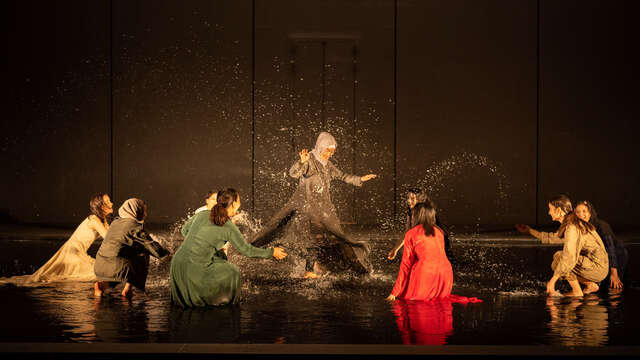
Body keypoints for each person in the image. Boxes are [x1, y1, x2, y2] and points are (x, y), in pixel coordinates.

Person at [249, 132, 376, 278]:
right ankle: (309, 269)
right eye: (328, 150)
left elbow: (342, 176)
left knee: (332, 235)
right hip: (309, 207)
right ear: (321, 147)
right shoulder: (310, 159)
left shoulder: (327, 165)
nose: (330, 154)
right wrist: (302, 162)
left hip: (324, 208)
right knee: (313, 236)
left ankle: (321, 266)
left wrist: (360, 179)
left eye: (333, 151)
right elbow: (294, 173)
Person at [170, 188, 287, 307]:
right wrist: (271, 252)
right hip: (194, 269)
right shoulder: (228, 226)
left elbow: (184, 231)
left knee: (219, 256)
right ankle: (224, 305)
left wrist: (204, 243)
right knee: (232, 272)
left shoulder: (202, 214)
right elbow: (247, 250)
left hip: (176, 265)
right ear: (235, 203)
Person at [0, 193, 113, 284]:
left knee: (100, 272)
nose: (111, 204)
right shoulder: (94, 220)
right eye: (107, 202)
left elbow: (111, 237)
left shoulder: (102, 220)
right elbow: (109, 238)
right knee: (97, 273)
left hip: (76, 252)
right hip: (73, 252)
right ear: (101, 206)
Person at [386, 202, 481, 303]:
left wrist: (394, 292)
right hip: (446, 277)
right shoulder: (439, 231)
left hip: (426, 275)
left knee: (404, 295)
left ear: (418, 216)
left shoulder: (411, 233)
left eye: (413, 214)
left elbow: (405, 265)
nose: (411, 217)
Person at [516, 195, 609, 296]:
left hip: (598, 267)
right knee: (556, 262)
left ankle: (577, 292)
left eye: (550, 209)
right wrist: (529, 231)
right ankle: (590, 285)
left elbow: (569, 257)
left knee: (561, 258)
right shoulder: (570, 223)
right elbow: (552, 238)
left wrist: (552, 282)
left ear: (559, 210)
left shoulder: (573, 227)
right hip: (592, 264)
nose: (549, 212)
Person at [94, 198, 169, 297]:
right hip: (116, 266)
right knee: (143, 253)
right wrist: (168, 255)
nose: (145, 214)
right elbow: (150, 245)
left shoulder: (115, 223)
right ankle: (128, 289)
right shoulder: (135, 227)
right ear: (136, 211)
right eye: (143, 211)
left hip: (99, 266)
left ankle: (102, 285)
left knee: (122, 263)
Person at [575, 201, 629, 290]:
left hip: (616, 256)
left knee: (613, 287)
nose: (581, 214)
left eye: (584, 211)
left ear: (590, 212)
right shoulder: (581, 226)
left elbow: (610, 248)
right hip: (601, 258)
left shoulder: (601, 226)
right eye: (578, 212)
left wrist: (614, 273)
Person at [387, 188, 452, 261]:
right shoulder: (411, 211)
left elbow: (427, 235)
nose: (408, 201)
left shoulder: (424, 211)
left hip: (438, 242)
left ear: (419, 200)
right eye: (408, 198)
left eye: (412, 198)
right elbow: (407, 232)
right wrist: (395, 249)